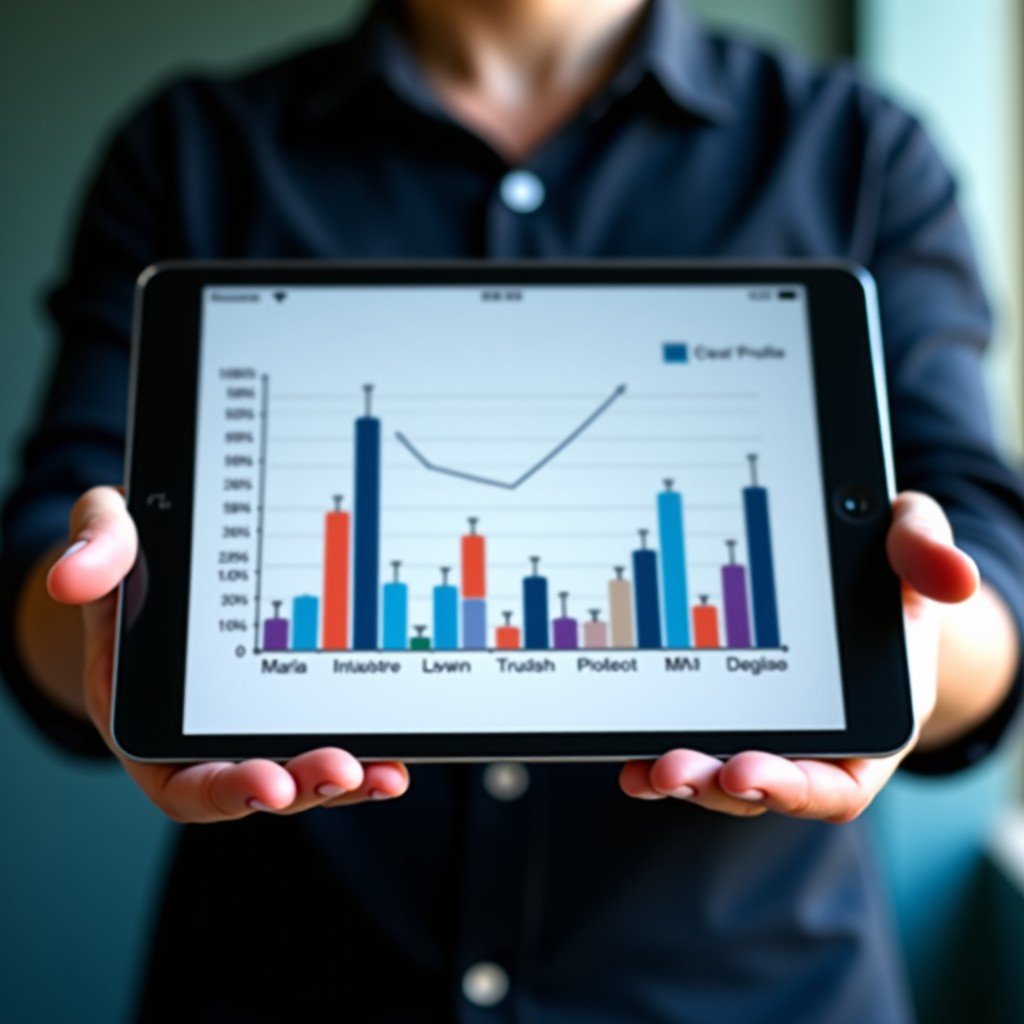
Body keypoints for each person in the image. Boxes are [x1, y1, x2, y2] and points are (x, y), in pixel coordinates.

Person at [3, 0, 1024, 1020]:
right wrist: (98, 613)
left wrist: (918, 636)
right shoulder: (192, 150)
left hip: (750, 991)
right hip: (286, 985)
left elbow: (989, 582)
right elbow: (45, 567)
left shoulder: (857, 150)